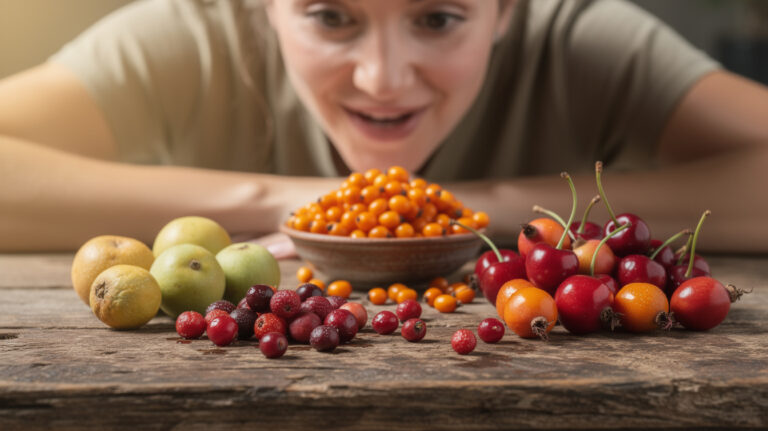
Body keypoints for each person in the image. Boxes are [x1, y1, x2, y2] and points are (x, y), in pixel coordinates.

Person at [1, 0, 767, 254]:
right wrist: (294, 202)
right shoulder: (191, 36)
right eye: (332, 17)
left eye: (437, 18)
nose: (383, 79)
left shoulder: (581, 40)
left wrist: (462, 208)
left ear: (507, 11)